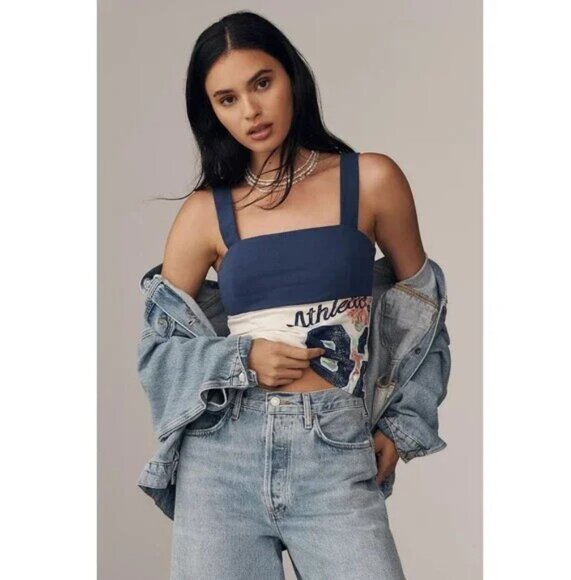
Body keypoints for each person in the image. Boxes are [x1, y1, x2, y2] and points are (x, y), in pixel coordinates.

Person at [160, 10, 426, 579]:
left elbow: (423, 311)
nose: (250, 111)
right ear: (211, 111)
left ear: (292, 77)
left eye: (261, 83)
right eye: (227, 99)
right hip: (221, 459)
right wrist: (242, 358)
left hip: (333, 444)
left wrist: (401, 424)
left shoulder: (370, 180)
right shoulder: (205, 212)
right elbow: (159, 351)